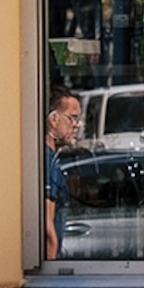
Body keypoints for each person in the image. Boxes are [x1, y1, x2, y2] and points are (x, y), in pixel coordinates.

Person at [41, 88, 83, 259]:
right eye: (72, 118)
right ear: (53, 120)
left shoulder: (50, 158)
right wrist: (51, 268)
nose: (77, 125)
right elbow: (47, 225)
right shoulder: (47, 161)